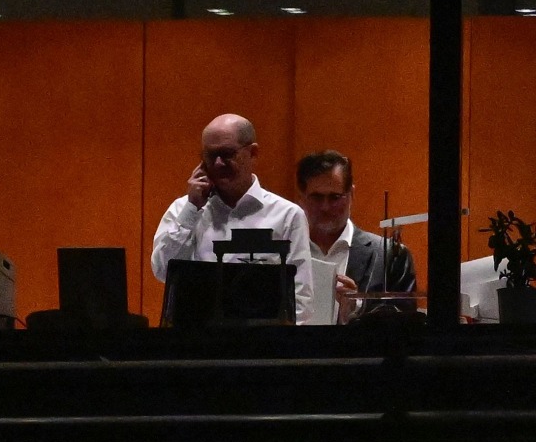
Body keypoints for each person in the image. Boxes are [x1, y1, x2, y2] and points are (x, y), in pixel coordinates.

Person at [151, 114, 313, 324]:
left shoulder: (287, 215)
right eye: (210, 155)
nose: (218, 163)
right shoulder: (184, 210)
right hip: (198, 337)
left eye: (227, 154)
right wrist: (192, 209)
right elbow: (162, 270)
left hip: (263, 339)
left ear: (253, 153)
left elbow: (300, 299)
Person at [296, 150, 416, 323]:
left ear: (351, 195)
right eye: (316, 197)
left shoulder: (391, 256)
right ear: (301, 198)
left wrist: (357, 308)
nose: (325, 207)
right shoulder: (285, 253)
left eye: (335, 197)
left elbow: (406, 326)